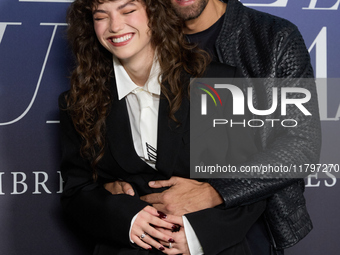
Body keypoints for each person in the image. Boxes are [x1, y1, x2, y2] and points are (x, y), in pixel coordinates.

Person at [109, 0, 322, 254]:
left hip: (250, 224)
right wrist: (107, 186)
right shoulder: (138, 35)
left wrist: (215, 192)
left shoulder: (274, 37)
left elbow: (302, 144)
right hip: (162, 232)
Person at [59, 0, 266, 254]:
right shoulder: (79, 101)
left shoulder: (217, 82)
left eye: (128, 11)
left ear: (154, 13)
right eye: (101, 16)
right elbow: (77, 192)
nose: (115, 26)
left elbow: (252, 183)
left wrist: (196, 236)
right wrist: (126, 219)